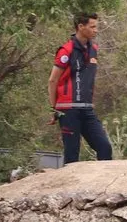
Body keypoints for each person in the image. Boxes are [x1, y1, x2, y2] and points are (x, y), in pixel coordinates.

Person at [47, 12, 112, 164]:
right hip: (68, 110)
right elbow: (53, 80)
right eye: (92, 26)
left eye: (97, 27)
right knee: (72, 156)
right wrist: (54, 109)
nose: (96, 30)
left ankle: (100, 185)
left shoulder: (93, 48)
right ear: (81, 27)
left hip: (87, 109)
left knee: (105, 147)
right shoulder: (66, 50)